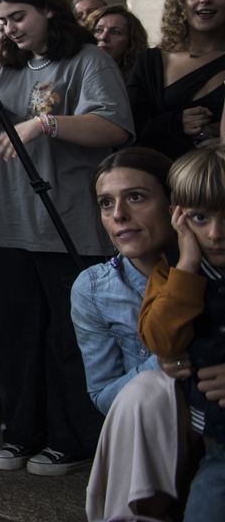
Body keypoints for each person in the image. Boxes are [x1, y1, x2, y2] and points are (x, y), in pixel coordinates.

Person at [0, 0, 132, 476]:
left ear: (49, 12)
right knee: (17, 338)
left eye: (18, 17)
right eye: (2, 21)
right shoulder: (11, 70)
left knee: (69, 340)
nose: (9, 29)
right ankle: (22, 433)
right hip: (8, 223)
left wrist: (46, 122)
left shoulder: (88, 61)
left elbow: (113, 125)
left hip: (65, 224)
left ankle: (71, 438)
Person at [76, 148, 194, 521]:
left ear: (174, 203)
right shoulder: (93, 288)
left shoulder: (212, 262)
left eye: (136, 197)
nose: (119, 216)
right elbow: (103, 396)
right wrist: (158, 361)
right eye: (106, 203)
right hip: (149, 427)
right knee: (150, 390)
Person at [138, 146, 225, 521]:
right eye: (200, 218)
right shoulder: (174, 270)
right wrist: (188, 265)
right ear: (179, 218)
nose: (216, 233)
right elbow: (161, 340)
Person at [129, 0, 225, 159]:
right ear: (181, 2)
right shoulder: (150, 62)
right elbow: (128, 128)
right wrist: (174, 123)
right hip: (161, 180)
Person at [85, 4, 148, 77]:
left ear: (131, 41)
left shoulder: (141, 77)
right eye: (98, 30)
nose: (103, 37)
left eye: (115, 32)